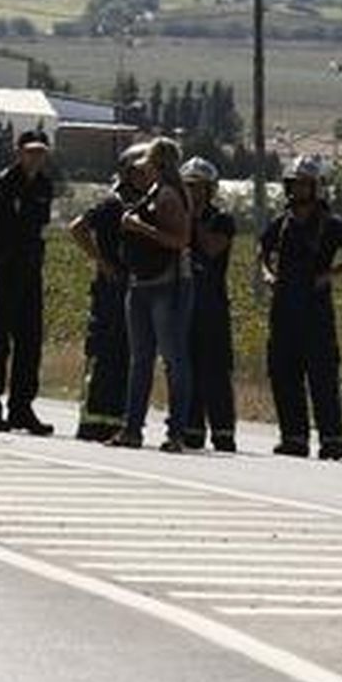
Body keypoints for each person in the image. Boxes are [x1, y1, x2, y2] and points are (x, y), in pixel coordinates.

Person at [259, 156, 342, 460]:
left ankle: (332, 439)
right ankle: (294, 437)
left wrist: (332, 274)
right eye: (295, 184)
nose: (300, 190)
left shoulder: (332, 225)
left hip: (316, 313)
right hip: (283, 311)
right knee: (283, 373)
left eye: (306, 184)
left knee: (322, 376)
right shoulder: (281, 224)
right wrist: (268, 274)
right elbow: (263, 252)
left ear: (317, 187)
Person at [109, 138, 195, 453]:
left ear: (158, 163)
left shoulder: (170, 195)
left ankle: (176, 433)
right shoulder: (156, 191)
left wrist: (138, 227)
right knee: (141, 360)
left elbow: (181, 240)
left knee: (173, 359)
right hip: (144, 283)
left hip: (167, 285)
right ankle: (131, 428)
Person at [0, 129, 55, 435]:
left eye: (41, 152)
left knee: (29, 343)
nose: (36, 157)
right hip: (3, 271)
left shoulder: (44, 186)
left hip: (30, 271)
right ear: (19, 152)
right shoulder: (0, 185)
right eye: (30, 151)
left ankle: (21, 408)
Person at [68, 144, 148, 441]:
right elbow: (77, 228)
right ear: (127, 173)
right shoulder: (113, 205)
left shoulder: (147, 205)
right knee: (103, 354)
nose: (145, 177)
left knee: (128, 355)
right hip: (110, 291)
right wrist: (102, 262)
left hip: (136, 291)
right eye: (139, 172)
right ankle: (92, 422)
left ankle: (117, 420)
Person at [180, 157, 237, 452]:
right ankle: (190, 428)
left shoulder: (222, 220)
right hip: (183, 300)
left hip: (212, 303)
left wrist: (193, 219)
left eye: (199, 187)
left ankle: (223, 431)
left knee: (214, 369)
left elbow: (212, 248)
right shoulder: (175, 217)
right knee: (185, 366)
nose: (193, 192)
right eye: (188, 186)